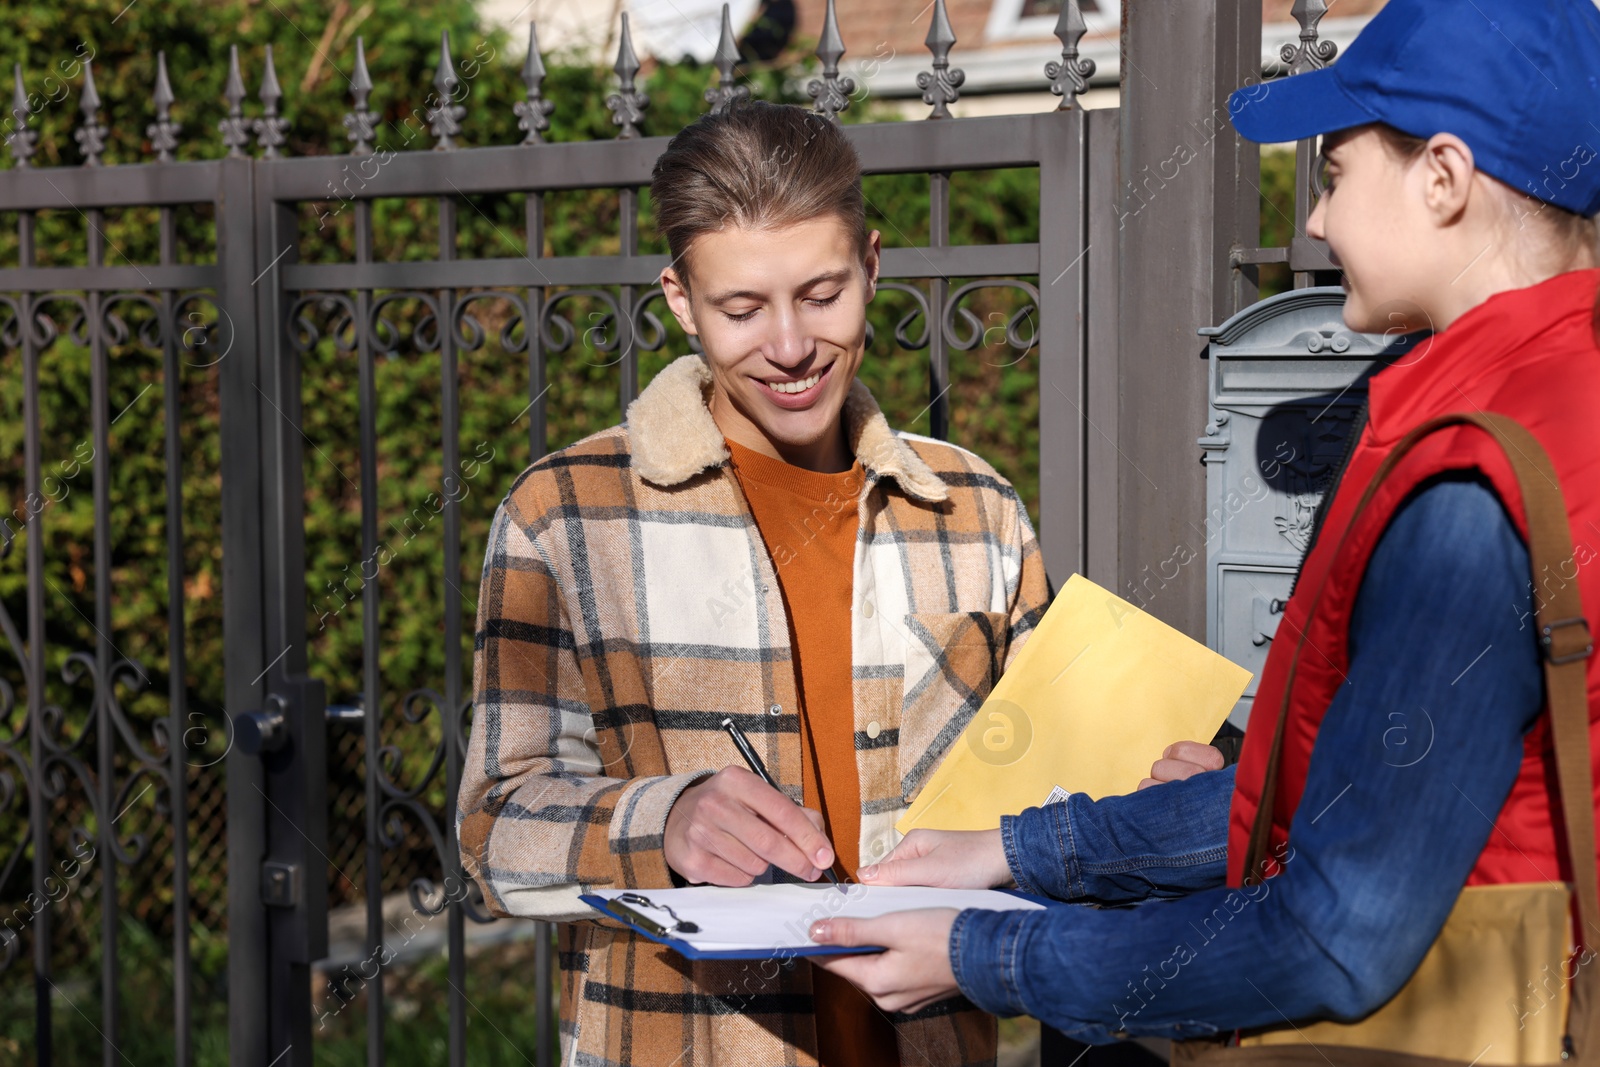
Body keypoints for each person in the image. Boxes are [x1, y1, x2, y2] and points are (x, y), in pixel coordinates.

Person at [807, 0, 1600, 1062]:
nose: (1317, 221)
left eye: (1333, 175)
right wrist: (1013, 849)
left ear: (1443, 178)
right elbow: (1355, 789)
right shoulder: (1560, 394)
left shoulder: (1469, 478)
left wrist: (982, 955)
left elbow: (1336, 931)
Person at [455, 101, 1057, 1067]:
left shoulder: (973, 506)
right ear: (680, 300)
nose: (788, 345)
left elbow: (1052, 785)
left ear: (870, 264)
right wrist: (665, 818)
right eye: (741, 310)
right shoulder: (562, 514)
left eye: (821, 294)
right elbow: (490, 834)